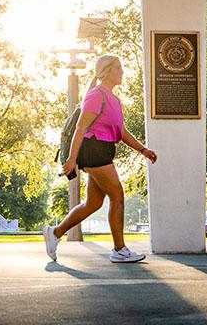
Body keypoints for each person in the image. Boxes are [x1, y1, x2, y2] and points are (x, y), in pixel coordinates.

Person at [43, 54, 158, 263]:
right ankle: (119, 249)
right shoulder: (96, 95)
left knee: (93, 203)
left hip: (103, 150)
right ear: (106, 71)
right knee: (117, 196)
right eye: (118, 68)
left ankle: (54, 233)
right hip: (94, 150)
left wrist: (143, 150)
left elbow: (121, 131)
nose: (122, 72)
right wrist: (71, 159)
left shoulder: (113, 99)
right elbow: (80, 128)